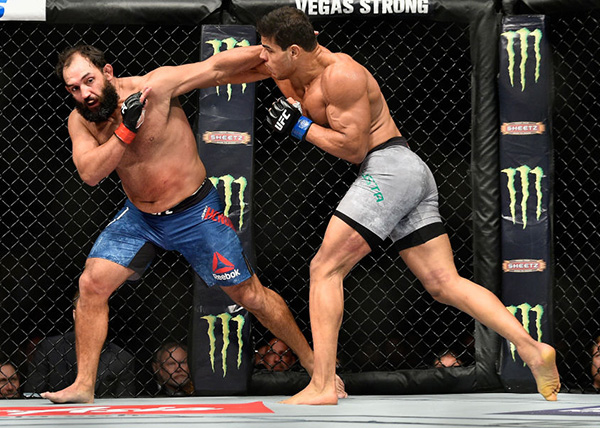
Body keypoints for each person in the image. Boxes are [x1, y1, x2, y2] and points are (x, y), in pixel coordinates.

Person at [252, 6, 561, 405]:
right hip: (405, 172)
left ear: (294, 51)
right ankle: (532, 349)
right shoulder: (286, 70)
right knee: (444, 284)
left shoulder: (341, 75)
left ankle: (324, 384)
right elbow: (232, 66)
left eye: (268, 50)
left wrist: (301, 128)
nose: (262, 57)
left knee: (325, 268)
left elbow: (353, 148)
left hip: (389, 168)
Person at [43, 43, 342, 404]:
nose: (85, 94)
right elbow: (90, 173)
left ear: (107, 72)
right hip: (141, 219)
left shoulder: (156, 87)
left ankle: (317, 368)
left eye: (89, 81)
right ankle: (84, 385)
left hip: (195, 213)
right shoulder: (81, 120)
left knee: (250, 295)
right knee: (91, 285)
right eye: (74, 88)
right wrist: (126, 129)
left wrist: (272, 50)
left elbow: (216, 68)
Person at [26, 292, 136, 397]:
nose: (92, 316)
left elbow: (124, 405)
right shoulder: (49, 349)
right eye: (86, 310)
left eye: (98, 311)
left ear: (106, 316)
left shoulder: (122, 359)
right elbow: (32, 395)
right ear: (75, 314)